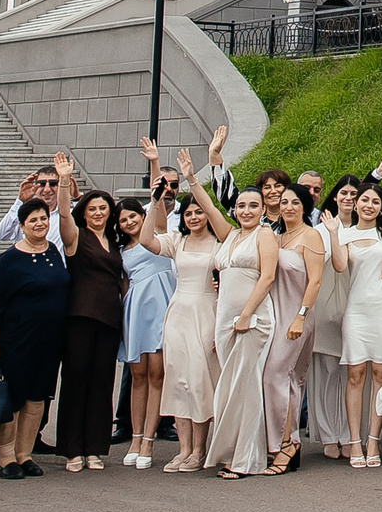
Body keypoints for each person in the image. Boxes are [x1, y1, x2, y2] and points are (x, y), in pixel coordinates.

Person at [188, 158, 279, 480]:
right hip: (225, 321)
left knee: (246, 385)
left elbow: (267, 277)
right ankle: (229, 451)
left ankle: (246, 459)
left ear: (262, 209)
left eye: (253, 206)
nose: (246, 211)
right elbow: (210, 208)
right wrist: (191, 178)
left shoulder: (265, 235)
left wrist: (245, 315)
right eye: (241, 205)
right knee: (229, 385)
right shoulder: (230, 236)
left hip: (252, 320)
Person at [49, 154, 129, 472]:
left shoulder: (114, 240)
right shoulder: (76, 237)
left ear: (109, 213)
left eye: (102, 208)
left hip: (109, 318)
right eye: (93, 208)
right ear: (86, 212)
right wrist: (65, 181)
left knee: (102, 381)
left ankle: (95, 448)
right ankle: (72, 450)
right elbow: (64, 217)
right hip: (80, 316)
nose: (97, 213)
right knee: (76, 379)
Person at [0, 197, 69, 479]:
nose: (39, 224)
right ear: (22, 226)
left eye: (43, 219)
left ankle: (25, 454)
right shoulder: (10, 259)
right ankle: (6, 456)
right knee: (13, 396)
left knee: (37, 397)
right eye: (33, 220)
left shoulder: (54, 252)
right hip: (16, 338)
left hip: (49, 339)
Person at [259, 170, 327, 472]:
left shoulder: (310, 236)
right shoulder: (276, 236)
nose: (287, 207)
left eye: (294, 202)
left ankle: (287, 444)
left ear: (304, 206)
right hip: (275, 315)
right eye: (284, 201)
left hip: (297, 317)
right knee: (284, 379)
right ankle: (282, 442)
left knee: (277, 376)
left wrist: (301, 317)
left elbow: (315, 282)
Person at [156, 179, 226, 473]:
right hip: (178, 314)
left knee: (199, 382)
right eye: (188, 213)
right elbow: (149, 238)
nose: (194, 218)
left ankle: (199, 449)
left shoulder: (221, 244)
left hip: (206, 312)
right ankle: (183, 449)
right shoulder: (177, 241)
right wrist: (156, 199)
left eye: (199, 212)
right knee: (178, 382)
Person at [337, 181, 382, 467]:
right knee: (355, 375)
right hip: (356, 312)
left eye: (375, 201)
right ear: (355, 203)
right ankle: (353, 441)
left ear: (381, 207)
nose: (369, 205)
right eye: (364, 200)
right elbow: (337, 267)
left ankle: (374, 438)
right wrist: (334, 231)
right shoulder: (344, 235)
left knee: (381, 375)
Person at [116, 191, 176, 470]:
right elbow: (125, 286)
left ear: (143, 216)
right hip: (136, 311)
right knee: (137, 375)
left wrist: (154, 172)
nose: (128, 222)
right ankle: (135, 438)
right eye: (123, 220)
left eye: (132, 216)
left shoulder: (159, 237)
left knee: (157, 375)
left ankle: (149, 440)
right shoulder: (122, 252)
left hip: (162, 305)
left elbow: (160, 211)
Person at [305, 174, 360, 461]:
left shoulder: (368, 228)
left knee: (352, 374)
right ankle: (329, 434)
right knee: (326, 373)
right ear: (335, 197)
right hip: (326, 307)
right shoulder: (321, 230)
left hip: (358, 306)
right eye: (344, 193)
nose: (349, 198)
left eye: (354, 194)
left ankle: (349, 433)